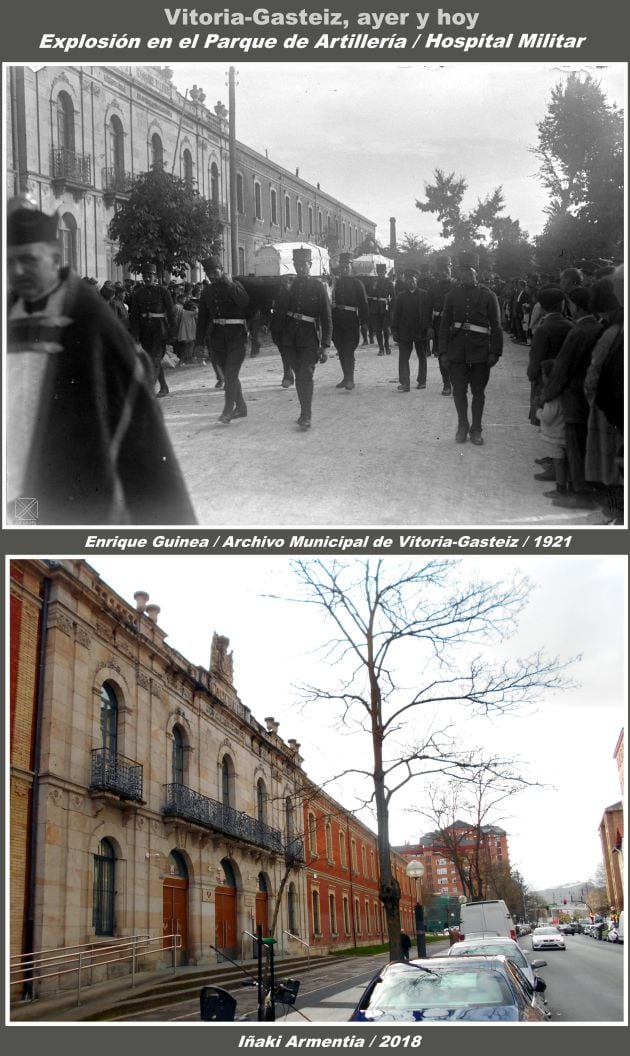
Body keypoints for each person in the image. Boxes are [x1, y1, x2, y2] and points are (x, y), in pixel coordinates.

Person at [6, 201, 195, 525]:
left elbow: (140, 433)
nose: (17, 272)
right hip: (15, 474)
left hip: (68, 482)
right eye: (9, 262)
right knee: (23, 524)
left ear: (53, 258)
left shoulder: (90, 320)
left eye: (27, 260)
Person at [439, 252, 503, 445]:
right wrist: (442, 351)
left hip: (480, 352)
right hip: (457, 352)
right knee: (458, 391)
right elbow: (444, 325)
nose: (465, 274)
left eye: (469, 270)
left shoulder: (488, 296)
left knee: (478, 393)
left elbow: (496, 325)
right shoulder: (452, 296)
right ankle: (462, 426)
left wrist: (495, 352)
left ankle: (476, 429)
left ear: (477, 272)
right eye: (462, 271)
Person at [271, 246, 332, 430]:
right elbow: (280, 313)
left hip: (309, 339)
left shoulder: (318, 287)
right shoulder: (289, 286)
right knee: (299, 376)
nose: (300, 268)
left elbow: (326, 318)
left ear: (310, 265)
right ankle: (304, 410)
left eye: (304, 264)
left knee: (306, 374)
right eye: (297, 265)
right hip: (290, 338)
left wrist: (325, 345)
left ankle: (306, 414)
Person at [195, 255, 249, 424]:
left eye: (215, 271)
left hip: (237, 337)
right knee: (228, 374)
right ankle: (241, 408)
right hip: (217, 338)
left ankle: (228, 409)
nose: (212, 275)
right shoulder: (207, 292)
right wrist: (199, 343)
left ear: (222, 269)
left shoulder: (235, 285)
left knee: (231, 375)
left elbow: (244, 302)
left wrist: (230, 284)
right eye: (209, 273)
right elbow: (202, 319)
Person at [128, 262, 175, 397]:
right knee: (151, 360)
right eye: (145, 276)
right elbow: (134, 317)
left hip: (160, 331)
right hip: (144, 333)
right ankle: (164, 387)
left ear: (156, 277)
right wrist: (135, 335)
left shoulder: (163, 292)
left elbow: (171, 314)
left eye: (150, 275)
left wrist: (172, 333)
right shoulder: (137, 294)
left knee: (153, 360)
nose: (147, 278)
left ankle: (148, 392)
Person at [331, 252, 369, 391]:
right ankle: (345, 376)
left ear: (350, 267)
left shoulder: (357, 283)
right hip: (337, 321)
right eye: (342, 267)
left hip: (351, 320)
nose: (344, 269)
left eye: (346, 267)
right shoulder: (336, 283)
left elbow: (364, 304)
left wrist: (364, 323)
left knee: (349, 350)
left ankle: (350, 379)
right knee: (340, 350)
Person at [391, 268, 430, 392]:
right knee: (403, 357)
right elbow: (396, 314)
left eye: (412, 280)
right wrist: (395, 330)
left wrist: (429, 327)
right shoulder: (401, 296)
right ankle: (405, 383)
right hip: (405, 332)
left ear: (416, 280)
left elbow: (428, 313)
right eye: (407, 280)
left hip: (420, 331)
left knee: (422, 356)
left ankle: (422, 381)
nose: (410, 283)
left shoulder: (424, 295)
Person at [426, 255, 455, 395]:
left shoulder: (458, 286)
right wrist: (429, 327)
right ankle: (446, 384)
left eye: (447, 269)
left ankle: (456, 382)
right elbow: (427, 309)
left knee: (456, 356)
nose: (445, 272)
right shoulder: (433, 288)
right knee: (442, 356)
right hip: (439, 326)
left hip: (456, 327)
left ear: (451, 268)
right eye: (442, 269)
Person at [368, 262, 395, 355]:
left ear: (385, 272)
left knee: (386, 329)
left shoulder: (389, 282)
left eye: (382, 272)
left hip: (385, 308)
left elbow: (393, 297)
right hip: (375, 309)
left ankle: (387, 346)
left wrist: (391, 310)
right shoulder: (374, 282)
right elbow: (370, 296)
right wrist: (374, 287)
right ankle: (381, 348)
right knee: (378, 330)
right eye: (379, 272)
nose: (380, 274)